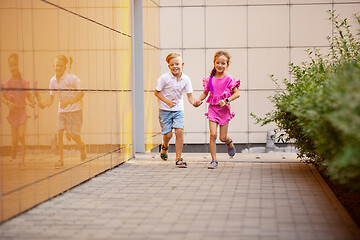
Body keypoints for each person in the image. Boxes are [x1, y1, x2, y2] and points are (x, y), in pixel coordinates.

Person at [154, 52, 201, 168]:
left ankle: (178, 158)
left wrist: (195, 103)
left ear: (182, 64)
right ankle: (165, 146)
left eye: (177, 64)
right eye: (172, 65)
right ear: (169, 66)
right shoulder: (164, 78)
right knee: (168, 135)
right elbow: (156, 92)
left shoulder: (186, 79)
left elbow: (190, 96)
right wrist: (166, 101)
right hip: (164, 110)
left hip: (178, 109)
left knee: (179, 131)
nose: (175, 67)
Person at [196, 50, 240, 169]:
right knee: (213, 134)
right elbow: (205, 93)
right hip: (212, 109)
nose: (220, 65)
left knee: (222, 137)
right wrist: (199, 100)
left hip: (224, 111)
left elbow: (237, 94)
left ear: (227, 65)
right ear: (214, 63)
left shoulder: (229, 79)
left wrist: (226, 100)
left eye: (223, 63)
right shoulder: (210, 78)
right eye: (218, 63)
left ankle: (229, 142)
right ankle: (214, 160)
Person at [41, 55, 86, 169]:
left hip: (75, 110)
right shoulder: (52, 81)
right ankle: (60, 160)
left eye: (60, 66)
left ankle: (81, 145)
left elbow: (81, 93)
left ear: (65, 67)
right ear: (53, 66)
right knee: (60, 133)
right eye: (56, 66)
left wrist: (70, 101)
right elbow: (51, 99)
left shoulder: (72, 79)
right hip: (62, 111)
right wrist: (44, 104)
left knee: (73, 136)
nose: (58, 68)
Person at [1, 53, 35, 168]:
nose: (13, 67)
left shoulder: (23, 82)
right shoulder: (8, 83)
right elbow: (2, 95)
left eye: (15, 65)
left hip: (22, 112)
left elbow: (28, 94)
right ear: (9, 67)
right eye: (11, 65)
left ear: (18, 66)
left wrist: (31, 101)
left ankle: (22, 162)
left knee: (21, 136)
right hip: (13, 113)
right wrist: (7, 103)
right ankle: (14, 148)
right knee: (15, 140)